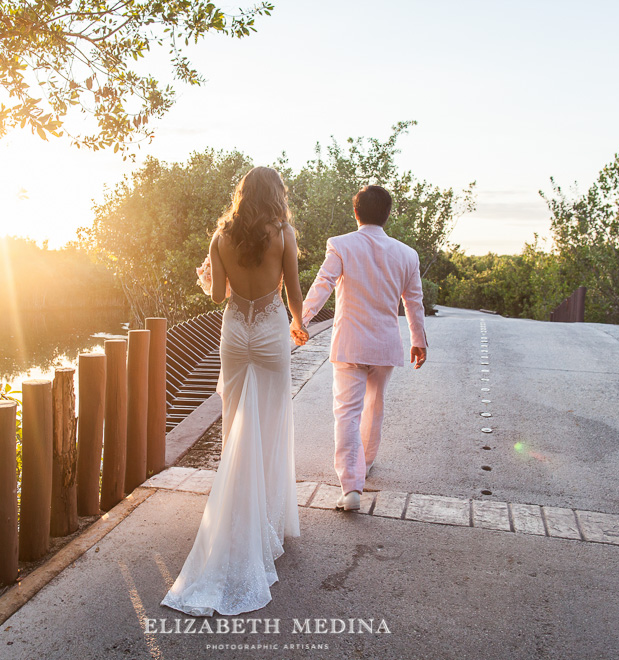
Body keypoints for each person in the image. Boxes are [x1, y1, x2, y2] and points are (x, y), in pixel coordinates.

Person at [162, 166, 307, 616]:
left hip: (234, 334)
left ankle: (236, 510)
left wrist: (207, 277)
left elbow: (217, 295)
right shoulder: (282, 233)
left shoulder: (220, 236)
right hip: (268, 333)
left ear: (241, 194)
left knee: (235, 423)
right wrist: (299, 325)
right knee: (270, 421)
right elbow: (294, 292)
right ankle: (266, 518)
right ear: (275, 194)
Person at [300, 185, 428, 511]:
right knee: (374, 407)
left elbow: (323, 284)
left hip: (350, 345)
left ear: (355, 212)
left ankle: (351, 487)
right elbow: (413, 301)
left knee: (346, 413)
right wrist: (418, 340)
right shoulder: (407, 254)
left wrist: (300, 320)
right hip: (385, 346)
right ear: (388, 215)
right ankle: (365, 465)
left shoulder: (341, 245)